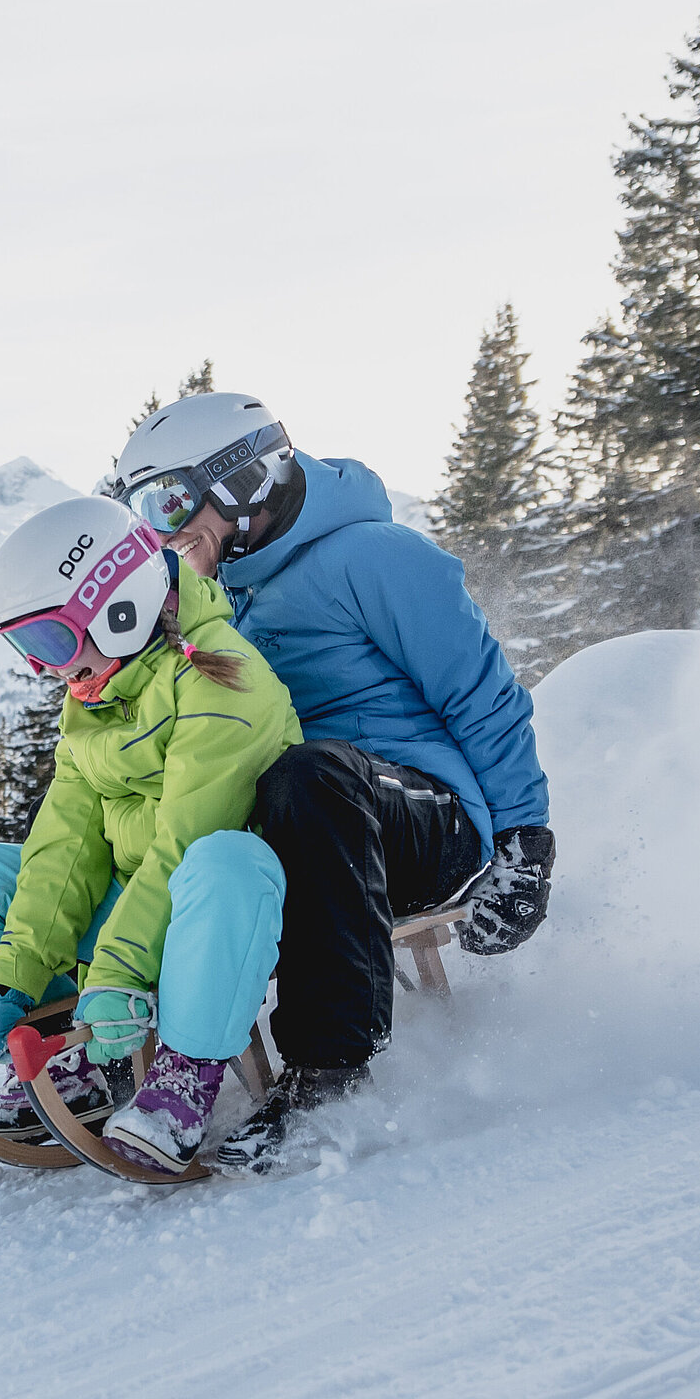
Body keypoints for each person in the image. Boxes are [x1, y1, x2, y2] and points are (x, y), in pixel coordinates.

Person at [113, 390, 553, 1174]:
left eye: (170, 500)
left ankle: (329, 1074)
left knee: (306, 774)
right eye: (144, 510)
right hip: (309, 826)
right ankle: (134, 1049)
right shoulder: (215, 601)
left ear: (242, 480)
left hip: (424, 818)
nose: (161, 528)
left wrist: (526, 841)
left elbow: (480, 694)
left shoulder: (376, 556)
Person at [0, 495, 302, 1177]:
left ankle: (186, 1075)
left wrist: (118, 972)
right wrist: (13, 977)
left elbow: (185, 843)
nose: (47, 669)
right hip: (137, 903)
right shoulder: (95, 695)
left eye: (52, 642)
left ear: (119, 606)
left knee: (225, 859)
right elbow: (65, 848)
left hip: (215, 916)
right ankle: (59, 1054)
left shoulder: (226, 682)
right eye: (28, 649)